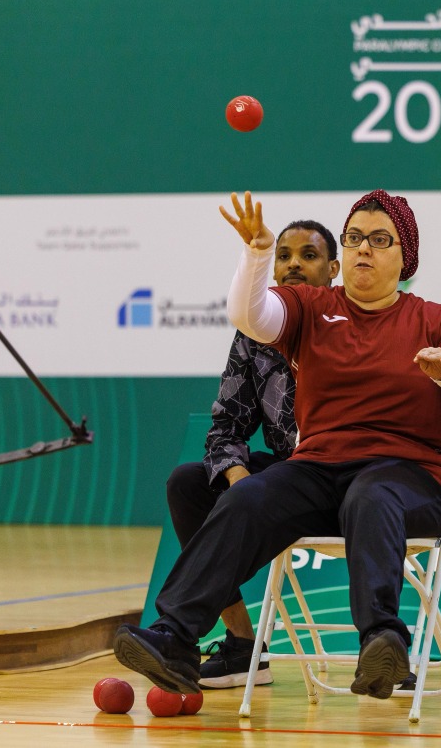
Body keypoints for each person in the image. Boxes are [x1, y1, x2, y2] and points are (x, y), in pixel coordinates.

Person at [114, 190, 441, 702]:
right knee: (248, 496)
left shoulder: (435, 319)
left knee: (373, 493)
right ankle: (176, 638)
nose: (364, 248)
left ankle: (382, 641)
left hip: (408, 479)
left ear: (405, 256)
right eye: (354, 237)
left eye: (379, 240)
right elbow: (251, 317)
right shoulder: (313, 307)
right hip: (318, 470)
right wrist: (257, 253)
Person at [165, 220, 338, 689]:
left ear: (333, 269)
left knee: (270, 488)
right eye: (284, 255)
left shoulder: (347, 326)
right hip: (282, 478)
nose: (294, 264)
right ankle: (244, 645)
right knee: (188, 484)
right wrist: (238, 478)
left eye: (308, 255)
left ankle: (175, 628)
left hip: (342, 481)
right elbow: (226, 425)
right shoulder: (255, 332)